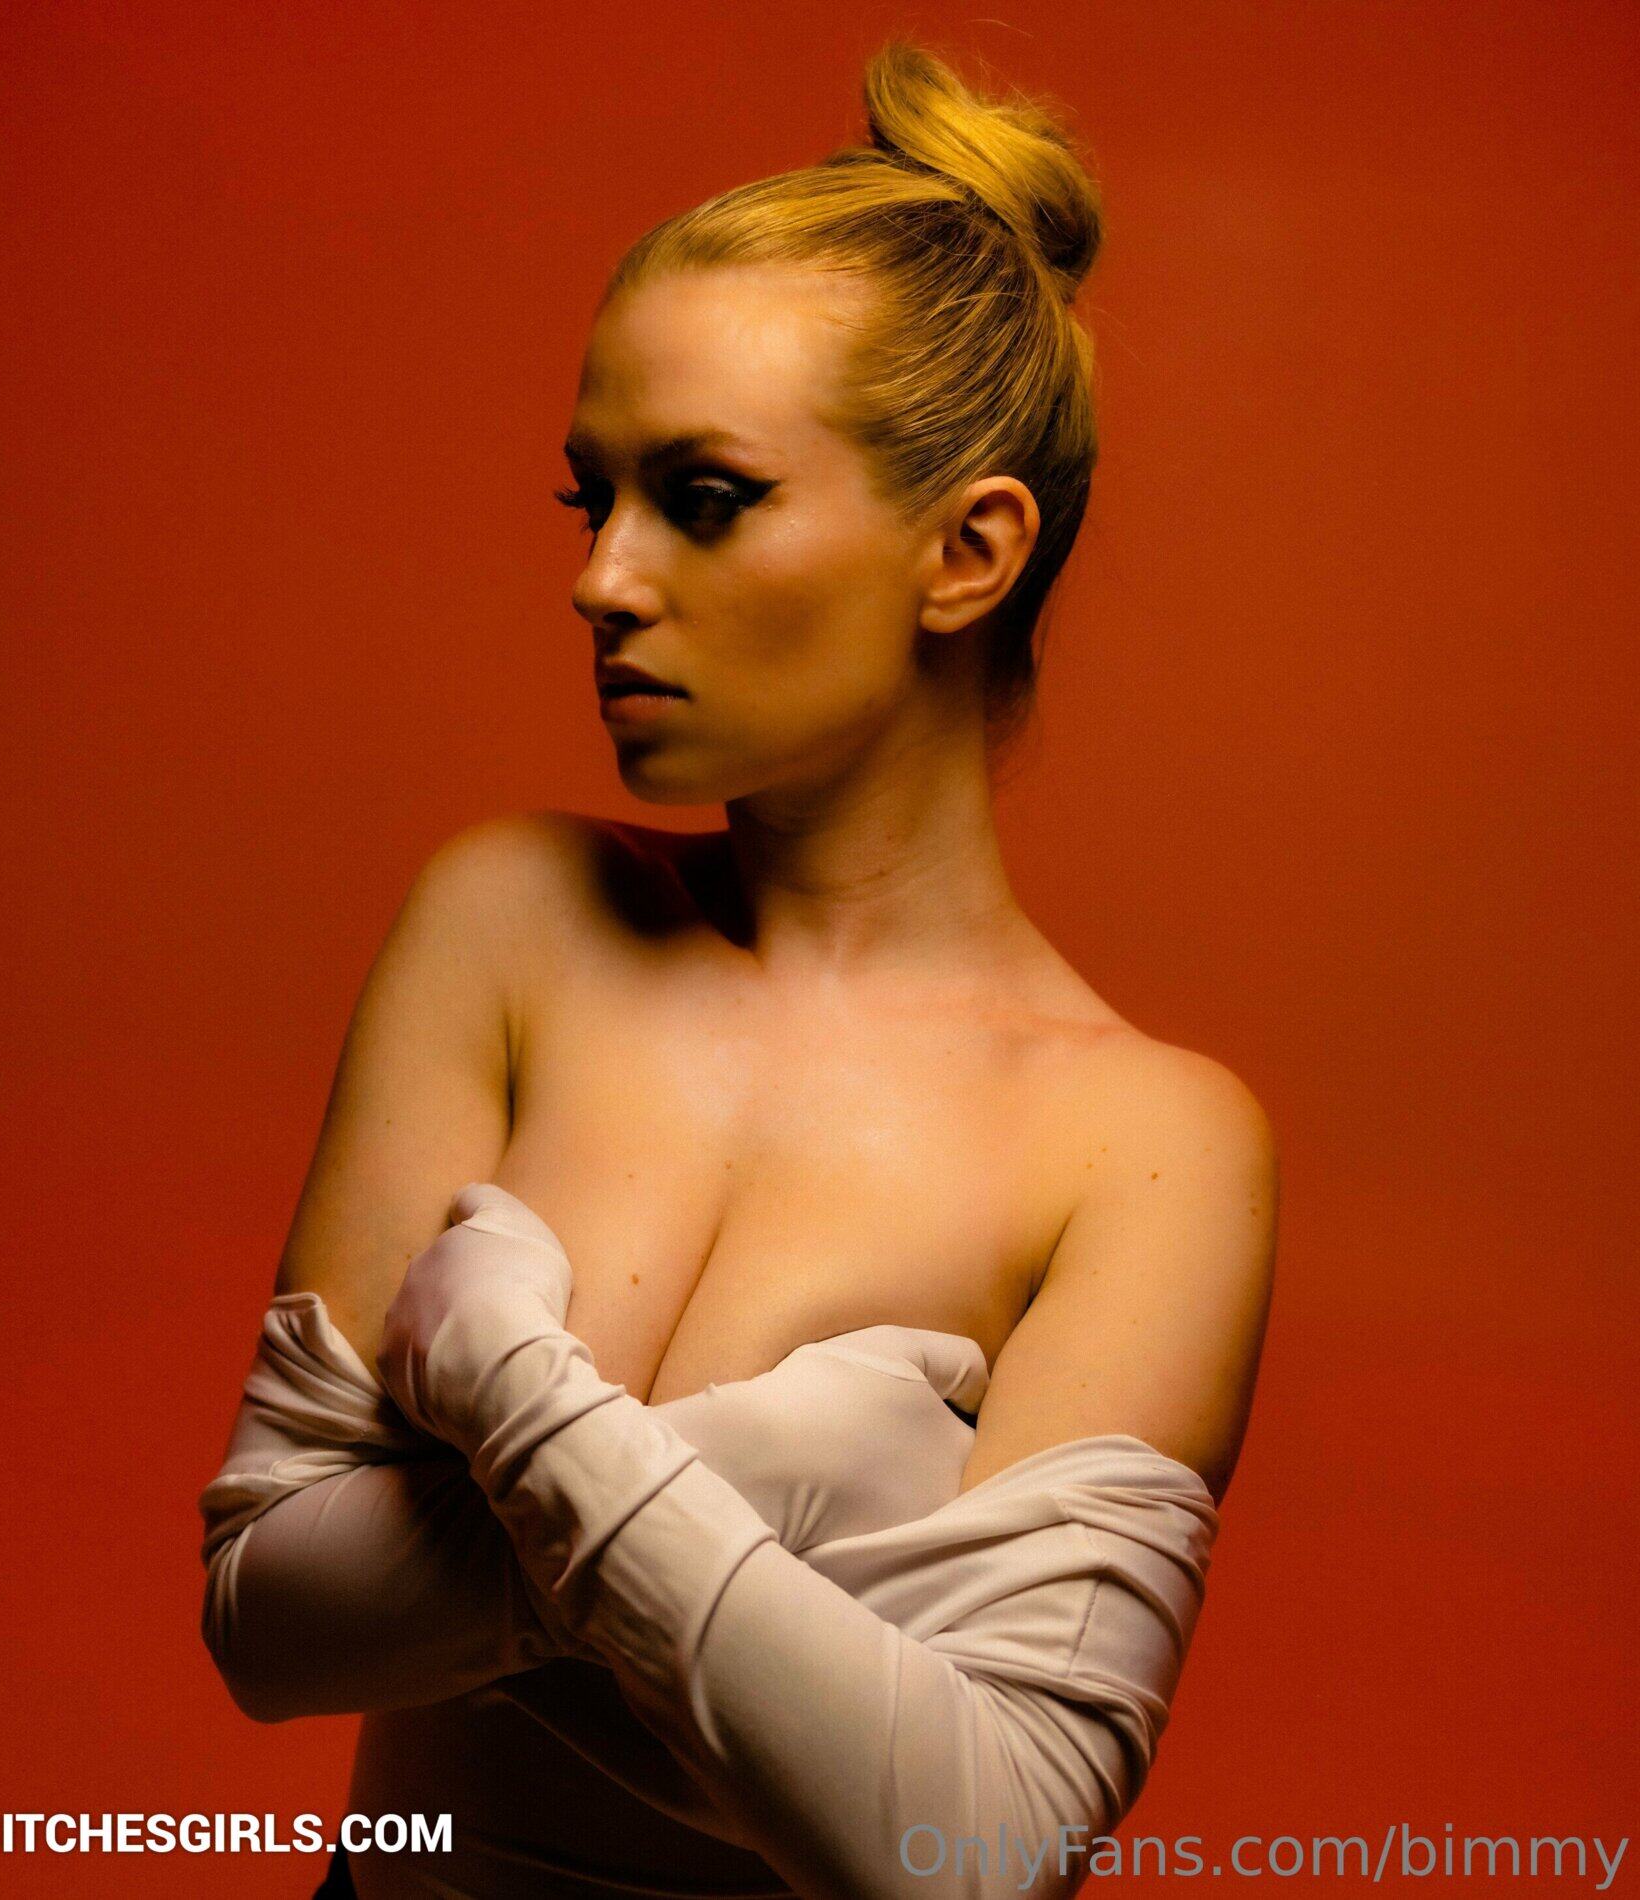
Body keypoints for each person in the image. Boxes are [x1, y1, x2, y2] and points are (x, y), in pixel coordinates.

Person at [199, 37, 1278, 1899]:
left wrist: (512, 1390)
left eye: (702, 497)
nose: (603, 580)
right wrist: (789, 1479)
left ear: (970, 552)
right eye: (591, 499)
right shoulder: (511, 922)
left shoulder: (1149, 1148)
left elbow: (973, 1847)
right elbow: (268, 1620)